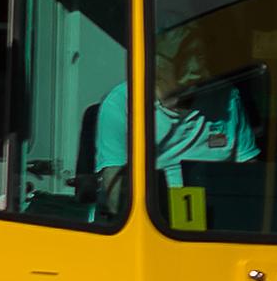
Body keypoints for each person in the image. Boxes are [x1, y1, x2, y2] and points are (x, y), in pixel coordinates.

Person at [94, 29, 261, 219]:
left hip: (222, 219)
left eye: (200, 55)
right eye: (185, 57)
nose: (198, 67)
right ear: (157, 66)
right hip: (155, 221)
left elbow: (250, 174)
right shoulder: (121, 103)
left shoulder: (226, 97)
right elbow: (116, 193)